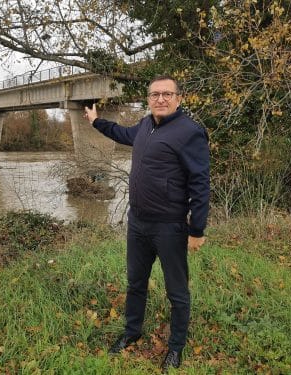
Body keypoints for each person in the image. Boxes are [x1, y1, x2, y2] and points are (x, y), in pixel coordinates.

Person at [84, 75, 210, 371]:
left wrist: (197, 229)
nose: (161, 99)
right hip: (138, 223)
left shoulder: (190, 131)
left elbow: (200, 183)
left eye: (167, 94)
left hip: (170, 227)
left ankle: (176, 347)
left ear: (178, 98)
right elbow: (120, 133)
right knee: (135, 282)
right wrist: (96, 121)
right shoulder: (144, 126)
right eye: (155, 94)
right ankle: (132, 333)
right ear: (148, 98)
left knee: (177, 292)